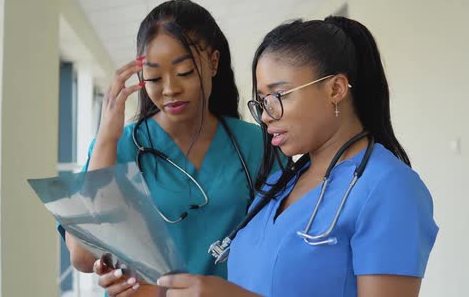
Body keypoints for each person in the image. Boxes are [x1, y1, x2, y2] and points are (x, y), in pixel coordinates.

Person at [157, 16, 438, 297]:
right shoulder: (280, 184)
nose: (266, 115)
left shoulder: (389, 188)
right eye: (262, 101)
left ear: (336, 89)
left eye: (278, 95)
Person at [61, 0, 269, 296]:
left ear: (213, 63)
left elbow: (281, 242)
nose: (170, 89)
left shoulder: (255, 143)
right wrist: (107, 137)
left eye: (184, 72)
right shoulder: (117, 146)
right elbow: (82, 256)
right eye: (155, 78)